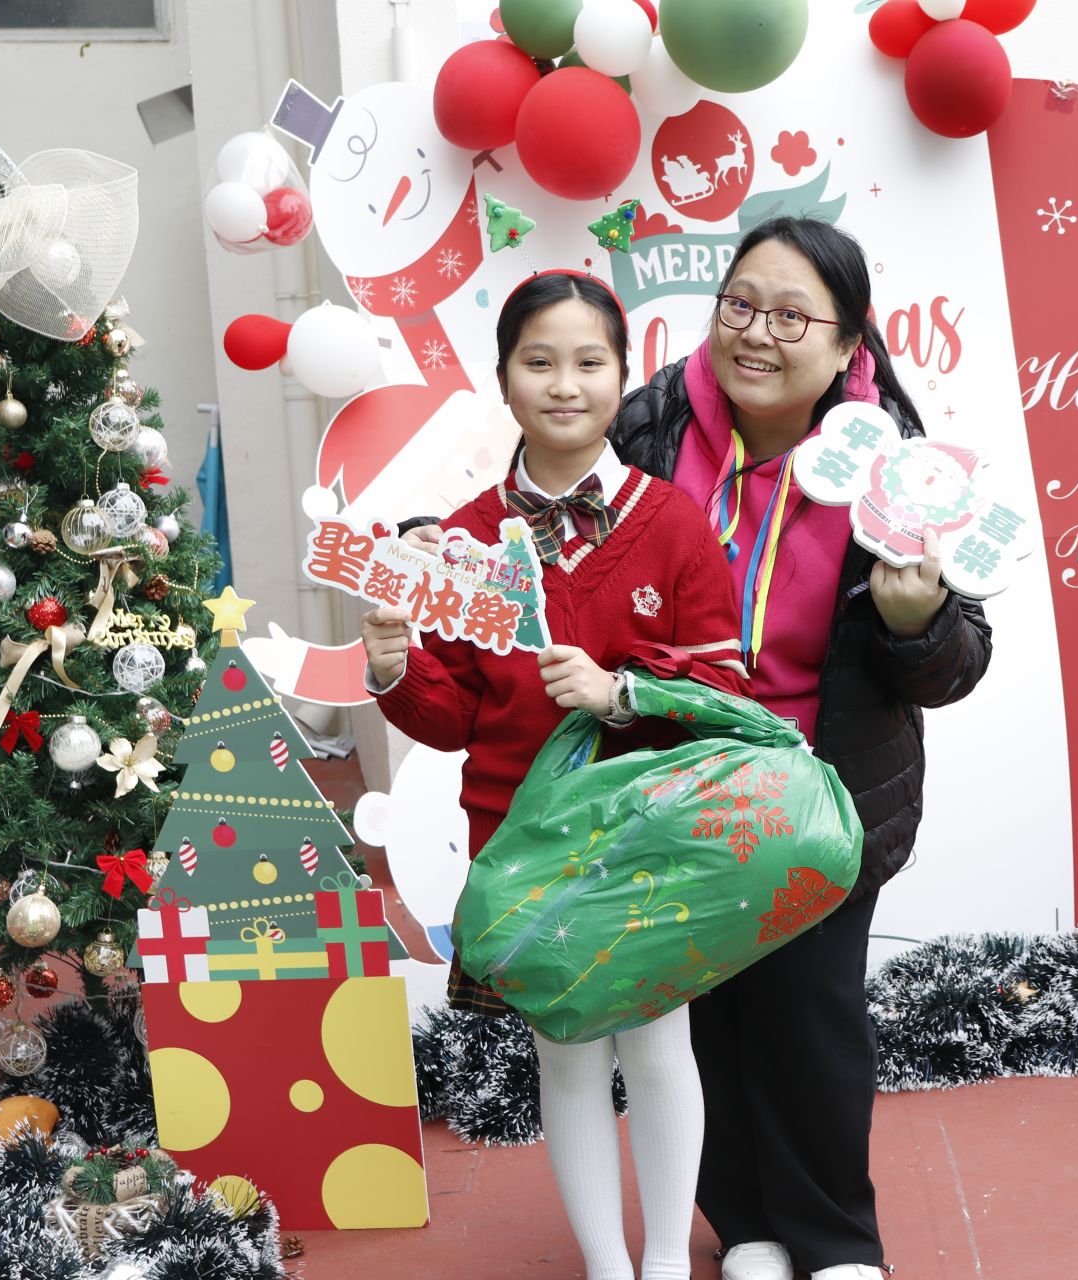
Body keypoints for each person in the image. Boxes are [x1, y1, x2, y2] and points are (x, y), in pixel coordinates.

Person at [610, 217, 994, 1280]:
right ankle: (747, 1225)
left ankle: (834, 1240)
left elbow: (960, 658)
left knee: (809, 1013)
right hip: (672, 778)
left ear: (847, 343)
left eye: (791, 316)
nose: (757, 333)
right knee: (705, 1015)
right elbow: (548, 523)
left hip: (821, 790)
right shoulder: (648, 427)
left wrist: (916, 622)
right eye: (740, 304)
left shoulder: (894, 462)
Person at [363, 270, 750, 1280]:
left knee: (660, 1050)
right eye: (539, 361)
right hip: (522, 846)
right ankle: (608, 1266)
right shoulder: (459, 542)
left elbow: (724, 687)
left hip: (648, 837)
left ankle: (665, 1262)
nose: (565, 384)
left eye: (588, 362)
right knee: (567, 1058)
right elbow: (452, 719)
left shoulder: (674, 522)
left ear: (623, 375)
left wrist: (620, 691)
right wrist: (394, 669)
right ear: (503, 378)